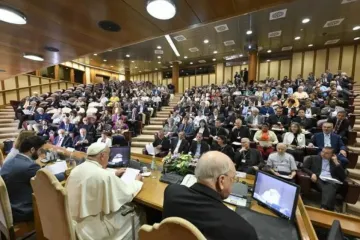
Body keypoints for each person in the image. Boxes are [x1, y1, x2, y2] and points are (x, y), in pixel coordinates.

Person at [163, 151, 258, 240]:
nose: (233, 183)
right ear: (222, 180)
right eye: (233, 179)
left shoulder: (171, 192)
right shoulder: (244, 231)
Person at [66, 143, 143, 240]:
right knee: (139, 213)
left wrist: (114, 172)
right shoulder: (104, 176)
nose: (109, 158)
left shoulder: (76, 169)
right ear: (102, 156)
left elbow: (94, 173)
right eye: (108, 155)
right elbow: (126, 193)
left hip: (73, 223)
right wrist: (136, 182)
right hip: (94, 230)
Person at [0, 136, 65, 223]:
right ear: (32, 150)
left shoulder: (9, 161)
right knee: (59, 200)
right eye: (40, 150)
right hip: (22, 210)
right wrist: (65, 173)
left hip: (8, 208)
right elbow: (51, 180)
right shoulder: (30, 167)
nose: (41, 154)